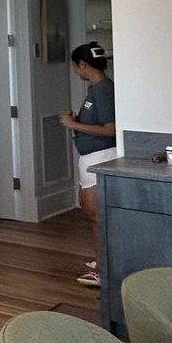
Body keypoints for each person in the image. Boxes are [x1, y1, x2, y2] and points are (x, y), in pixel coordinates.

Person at [58, 43, 116, 288]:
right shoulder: (99, 89)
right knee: (95, 213)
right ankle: (102, 260)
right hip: (95, 156)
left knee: (95, 215)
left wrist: (72, 124)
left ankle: (104, 269)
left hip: (99, 157)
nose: (75, 70)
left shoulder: (102, 90)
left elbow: (110, 129)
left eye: (75, 66)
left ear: (82, 65)